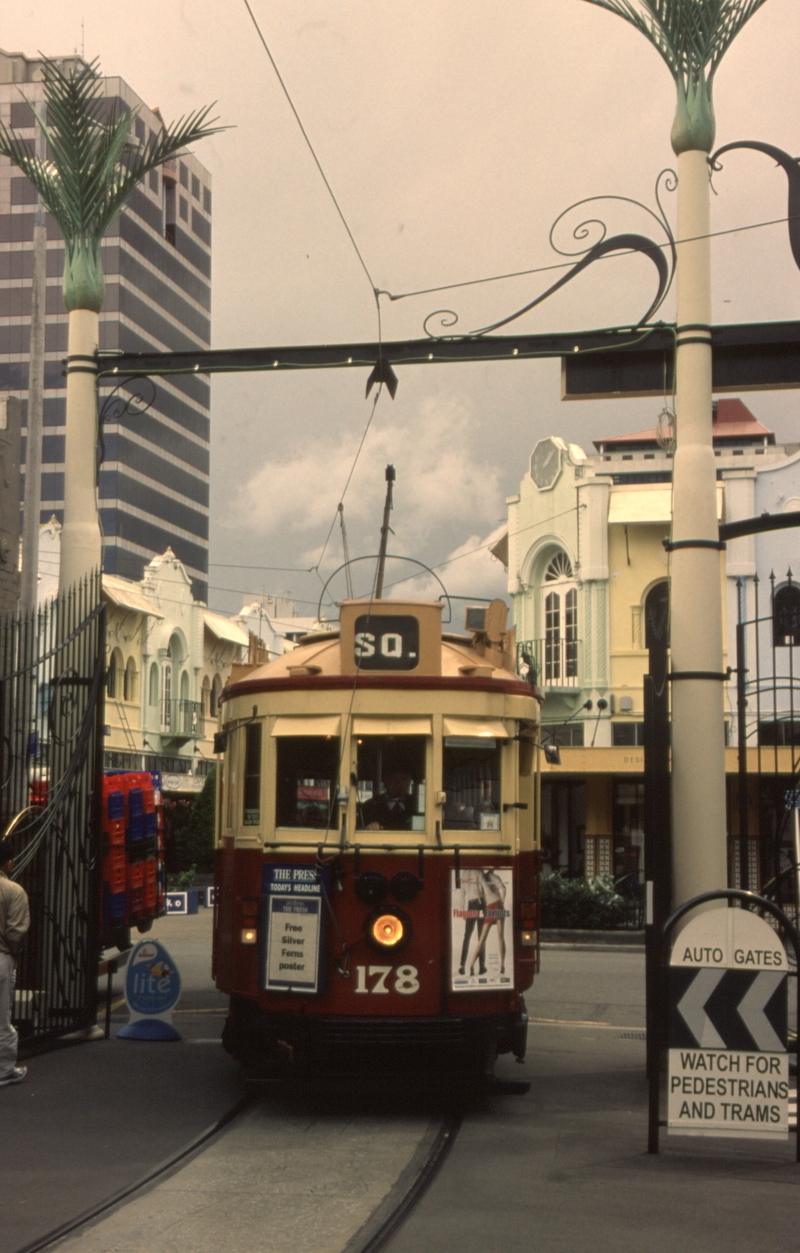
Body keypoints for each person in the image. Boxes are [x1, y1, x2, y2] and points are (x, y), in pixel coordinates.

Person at [0, 838, 30, 1086]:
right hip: (1, 957)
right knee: (2, 1018)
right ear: (8, 863)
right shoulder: (14, 891)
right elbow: (15, 933)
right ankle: (4, 1070)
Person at [468, 869, 507, 977]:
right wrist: (502, 902)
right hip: (497, 904)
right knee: (500, 937)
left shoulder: (481, 878)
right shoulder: (494, 876)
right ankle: (502, 965)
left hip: (489, 907)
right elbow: (503, 888)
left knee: (482, 940)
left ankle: (471, 965)